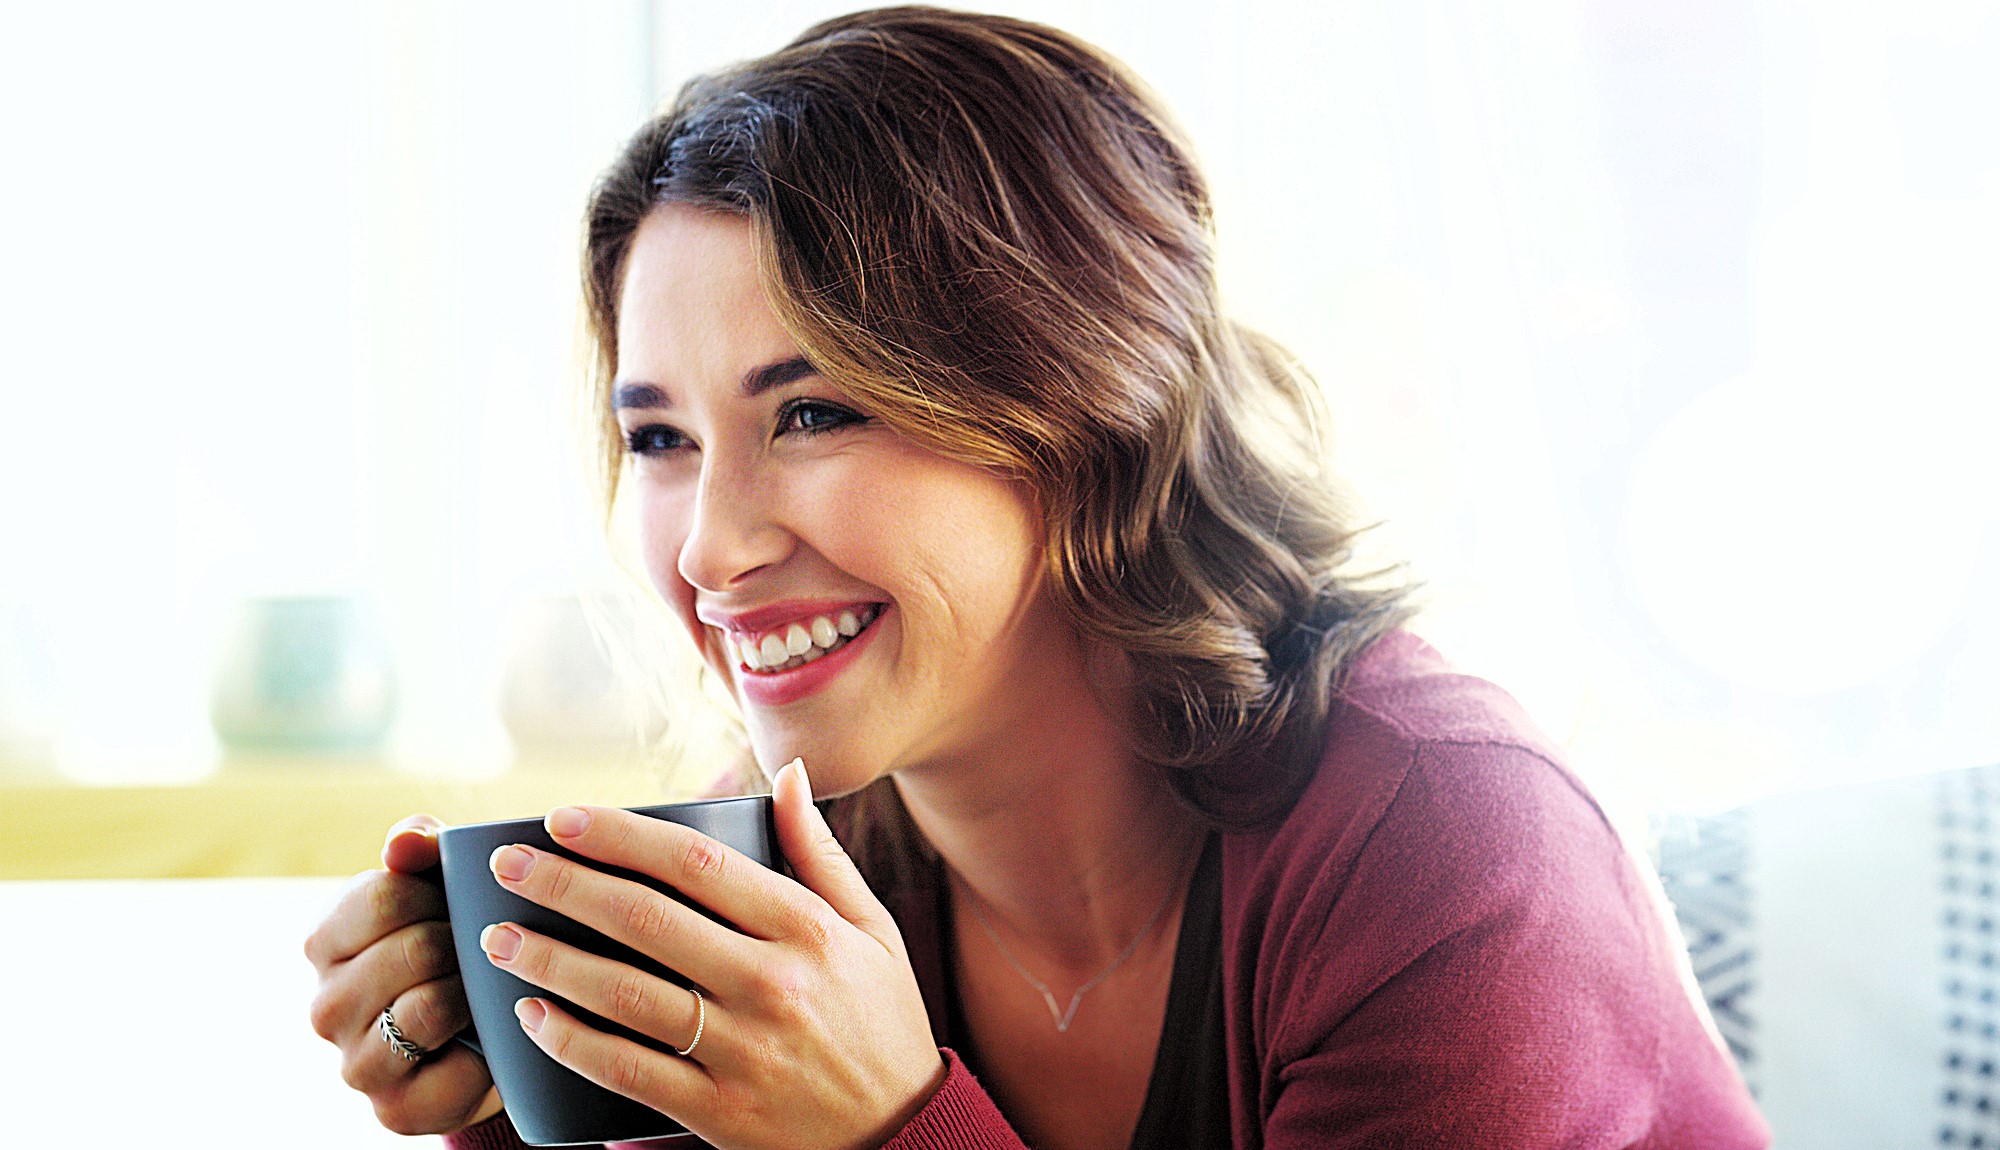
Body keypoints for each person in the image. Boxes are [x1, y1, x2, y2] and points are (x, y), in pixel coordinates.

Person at [305, 8, 1771, 1148]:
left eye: (813, 412)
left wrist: (890, 1126)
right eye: (663, 439)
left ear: (1077, 411)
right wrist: (525, 1100)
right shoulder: (810, 873)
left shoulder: (1445, 845)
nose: (706, 546)